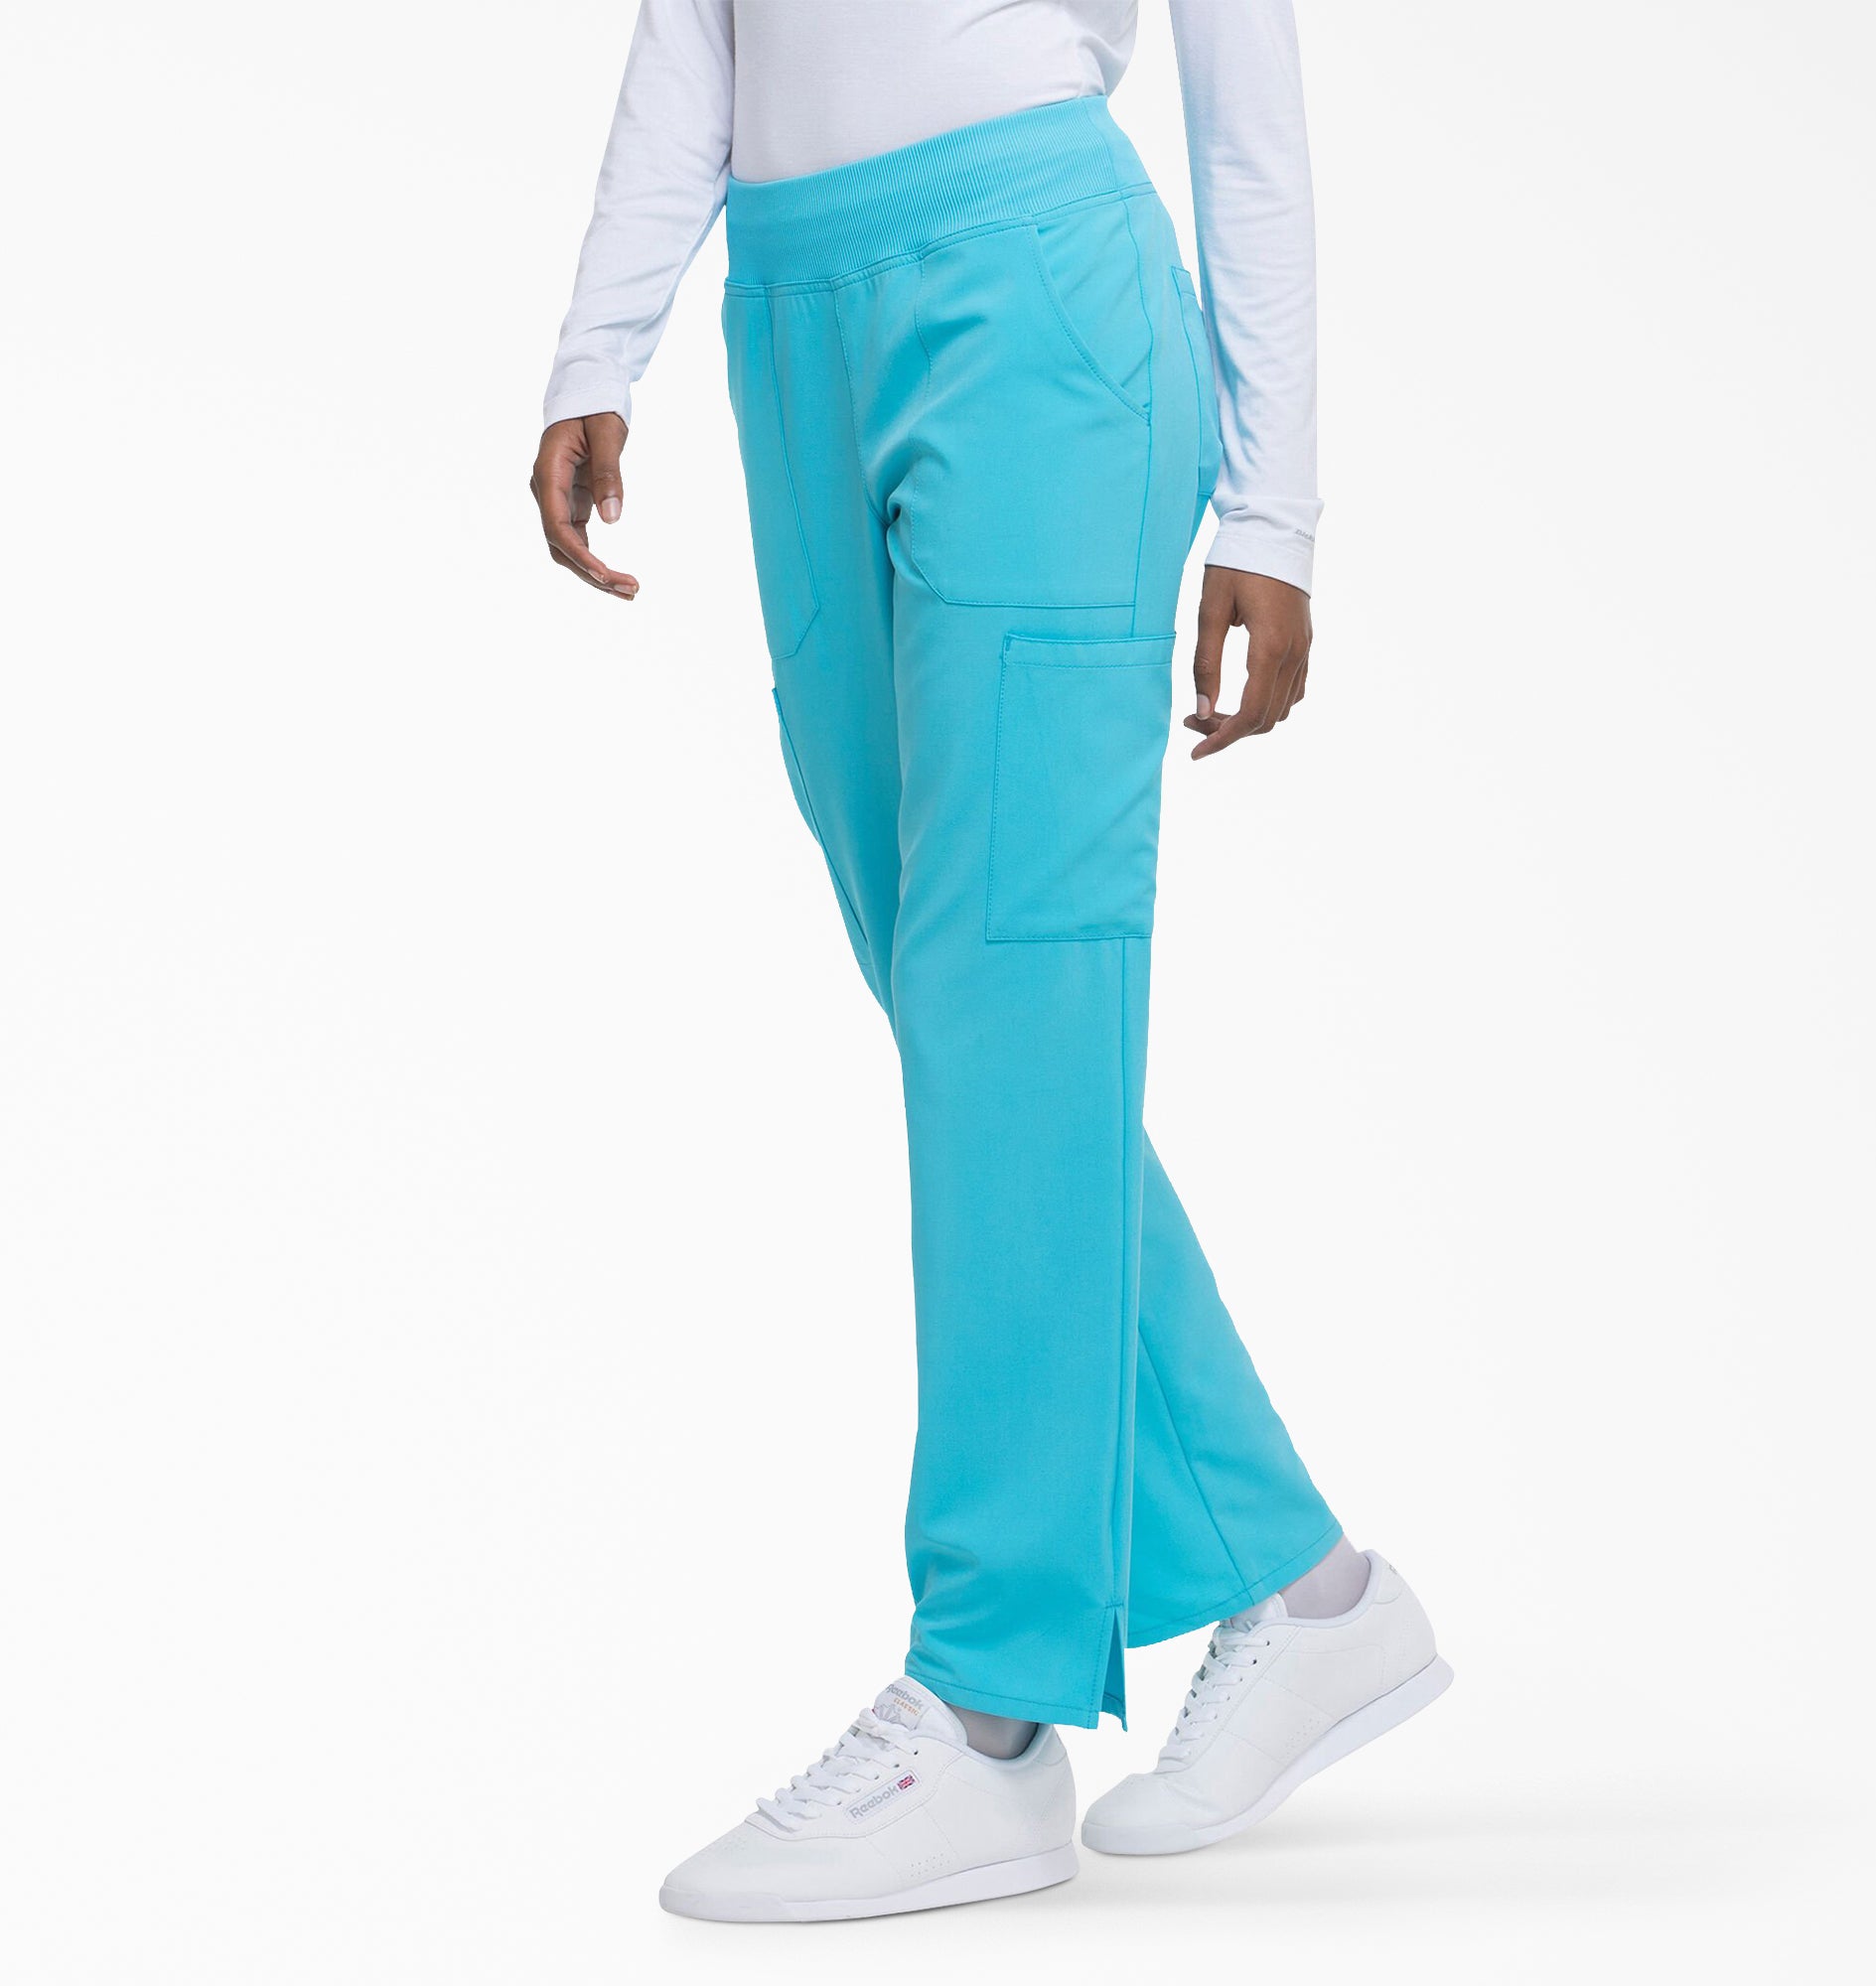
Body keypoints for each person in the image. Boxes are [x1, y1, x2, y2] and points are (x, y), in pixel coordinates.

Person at [534, 1, 1448, 1921]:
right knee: (968, 1009)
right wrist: (599, 339)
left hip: (1036, 307)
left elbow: (1250, 117)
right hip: (790, 318)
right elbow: (696, 29)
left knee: (1010, 987)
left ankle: (990, 1704)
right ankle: (1305, 1591)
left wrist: (1275, 508)